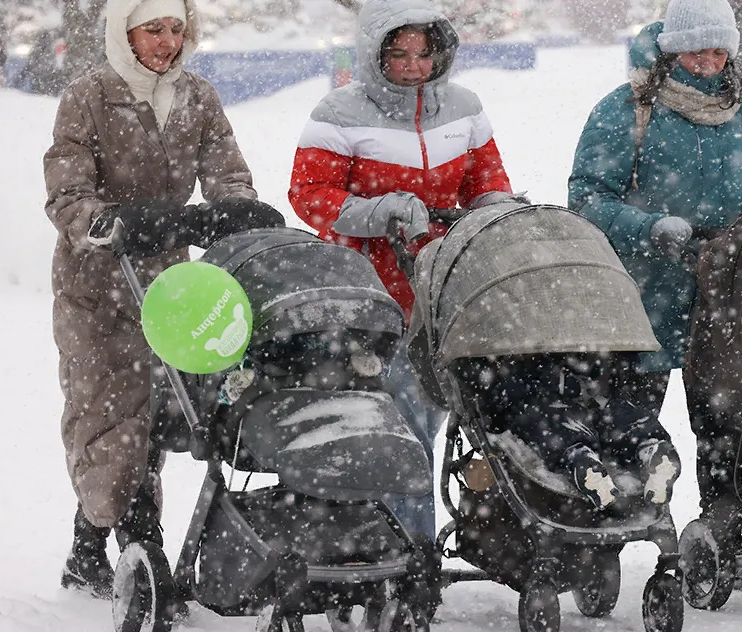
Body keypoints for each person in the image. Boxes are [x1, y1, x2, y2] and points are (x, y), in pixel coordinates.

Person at [44, 0, 264, 600]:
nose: (167, 42)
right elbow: (67, 194)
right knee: (107, 418)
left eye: (175, 28)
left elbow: (227, 173)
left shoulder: (198, 97)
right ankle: (135, 540)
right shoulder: (88, 96)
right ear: (125, 31)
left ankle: (92, 546)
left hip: (169, 287)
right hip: (96, 289)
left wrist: (237, 210)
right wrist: (107, 222)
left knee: (157, 417)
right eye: (153, 29)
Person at [569, 0, 742, 586]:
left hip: (722, 295)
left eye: (719, 51)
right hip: (639, 296)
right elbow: (586, 198)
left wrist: (741, 236)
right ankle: (606, 548)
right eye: (696, 49)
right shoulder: (628, 109)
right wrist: (651, 228)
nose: (709, 61)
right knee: (628, 426)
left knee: (724, 428)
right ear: (669, 49)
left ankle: (721, 539)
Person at [288, 0, 519, 537]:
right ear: (375, 53)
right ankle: (409, 548)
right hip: (375, 287)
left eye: (423, 53)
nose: (414, 66)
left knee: (456, 413)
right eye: (399, 54)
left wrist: (495, 209)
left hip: (448, 284)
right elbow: (309, 194)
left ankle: (470, 529)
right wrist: (377, 211)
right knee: (405, 419)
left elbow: (486, 177)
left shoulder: (464, 105)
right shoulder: (339, 113)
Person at [459, 353, 680, 511]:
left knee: (552, 428)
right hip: (581, 380)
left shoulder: (505, 358)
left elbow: (497, 393)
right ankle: (650, 445)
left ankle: (580, 458)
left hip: (538, 396)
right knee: (618, 415)